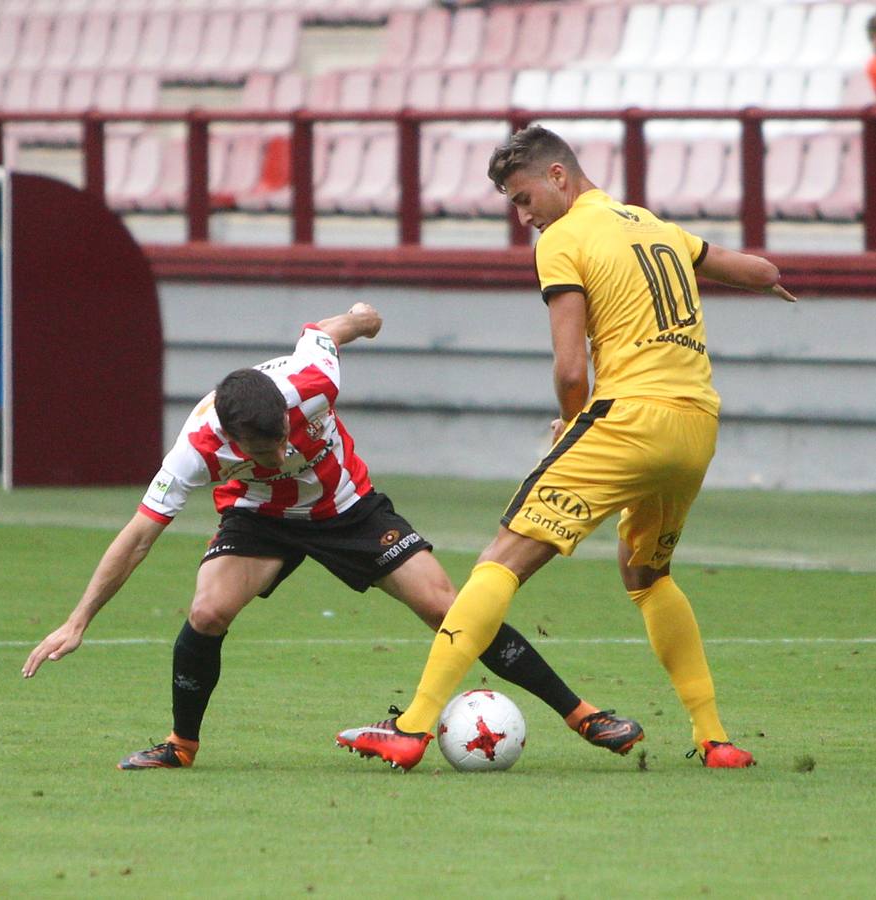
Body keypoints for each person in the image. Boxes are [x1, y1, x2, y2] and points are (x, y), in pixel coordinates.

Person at [337, 125, 796, 771]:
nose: (523, 217)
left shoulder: (564, 239)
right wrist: (770, 282)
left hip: (628, 419)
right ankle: (713, 739)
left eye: (524, 199)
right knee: (645, 575)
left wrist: (568, 422)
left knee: (499, 561)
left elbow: (569, 367)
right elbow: (757, 270)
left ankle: (411, 728)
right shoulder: (650, 224)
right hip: (694, 427)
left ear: (558, 177)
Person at [24, 303, 642, 770]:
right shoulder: (195, 449)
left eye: (287, 434)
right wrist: (78, 620)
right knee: (207, 610)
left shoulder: (313, 380)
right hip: (258, 516)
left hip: (347, 508)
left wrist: (360, 318)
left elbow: (327, 330)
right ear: (236, 442)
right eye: (268, 448)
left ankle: (583, 715)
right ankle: (181, 746)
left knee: (449, 609)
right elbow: (137, 537)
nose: (285, 448)